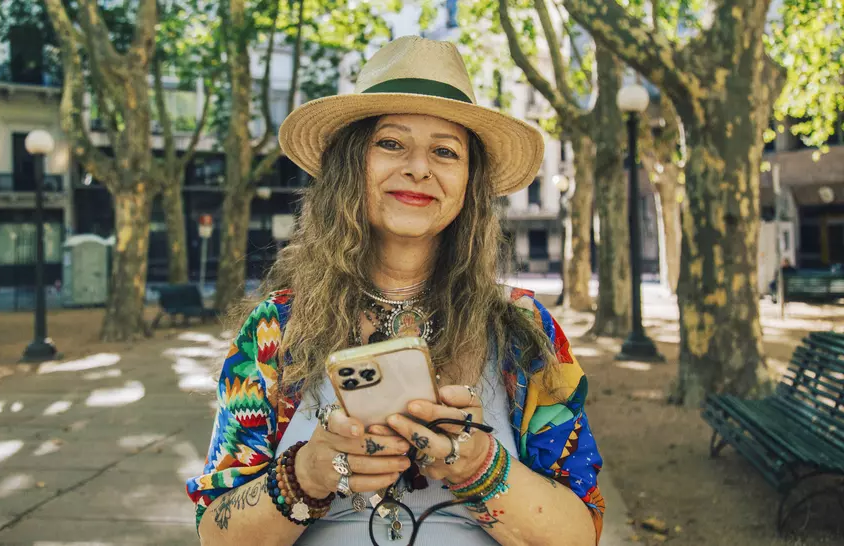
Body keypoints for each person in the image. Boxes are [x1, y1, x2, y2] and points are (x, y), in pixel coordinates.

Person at [187, 36, 604, 545]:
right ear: (349, 165)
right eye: (390, 143)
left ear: (469, 182)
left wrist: (481, 468)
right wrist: (305, 475)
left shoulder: (525, 331)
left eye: (445, 151)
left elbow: (581, 534)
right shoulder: (276, 330)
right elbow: (215, 534)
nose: (419, 168)